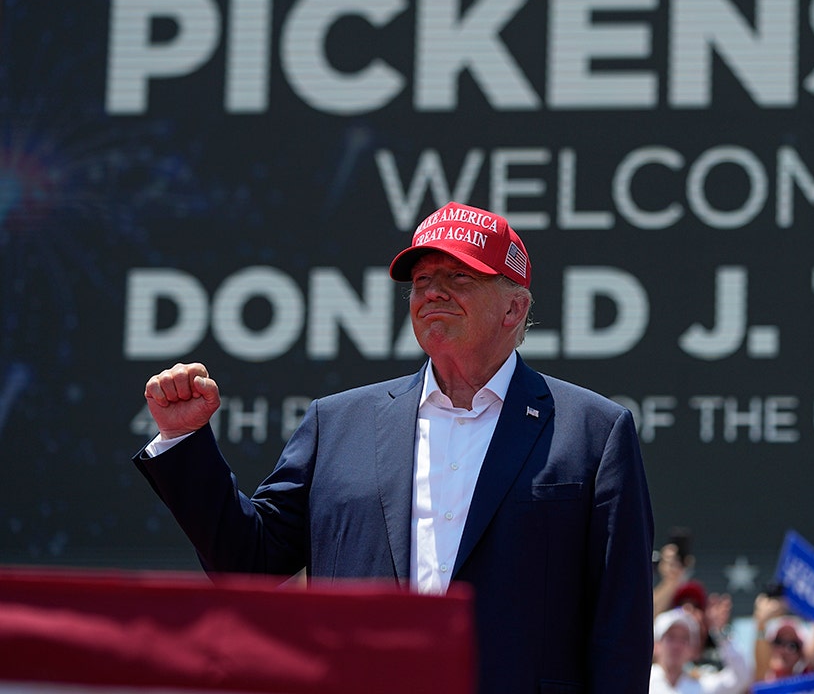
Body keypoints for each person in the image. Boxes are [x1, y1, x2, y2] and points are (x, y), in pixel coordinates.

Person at [135, 201, 656, 693]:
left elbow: (621, 626)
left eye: (460, 277)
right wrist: (184, 440)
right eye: (422, 280)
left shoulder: (592, 432)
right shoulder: (337, 423)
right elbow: (247, 561)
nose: (433, 292)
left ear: (514, 308)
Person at [650, 607, 751, 694]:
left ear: (692, 650)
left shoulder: (700, 686)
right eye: (671, 637)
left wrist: (721, 633)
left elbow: (740, 677)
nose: (677, 645)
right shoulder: (641, 681)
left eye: (684, 639)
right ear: (655, 645)